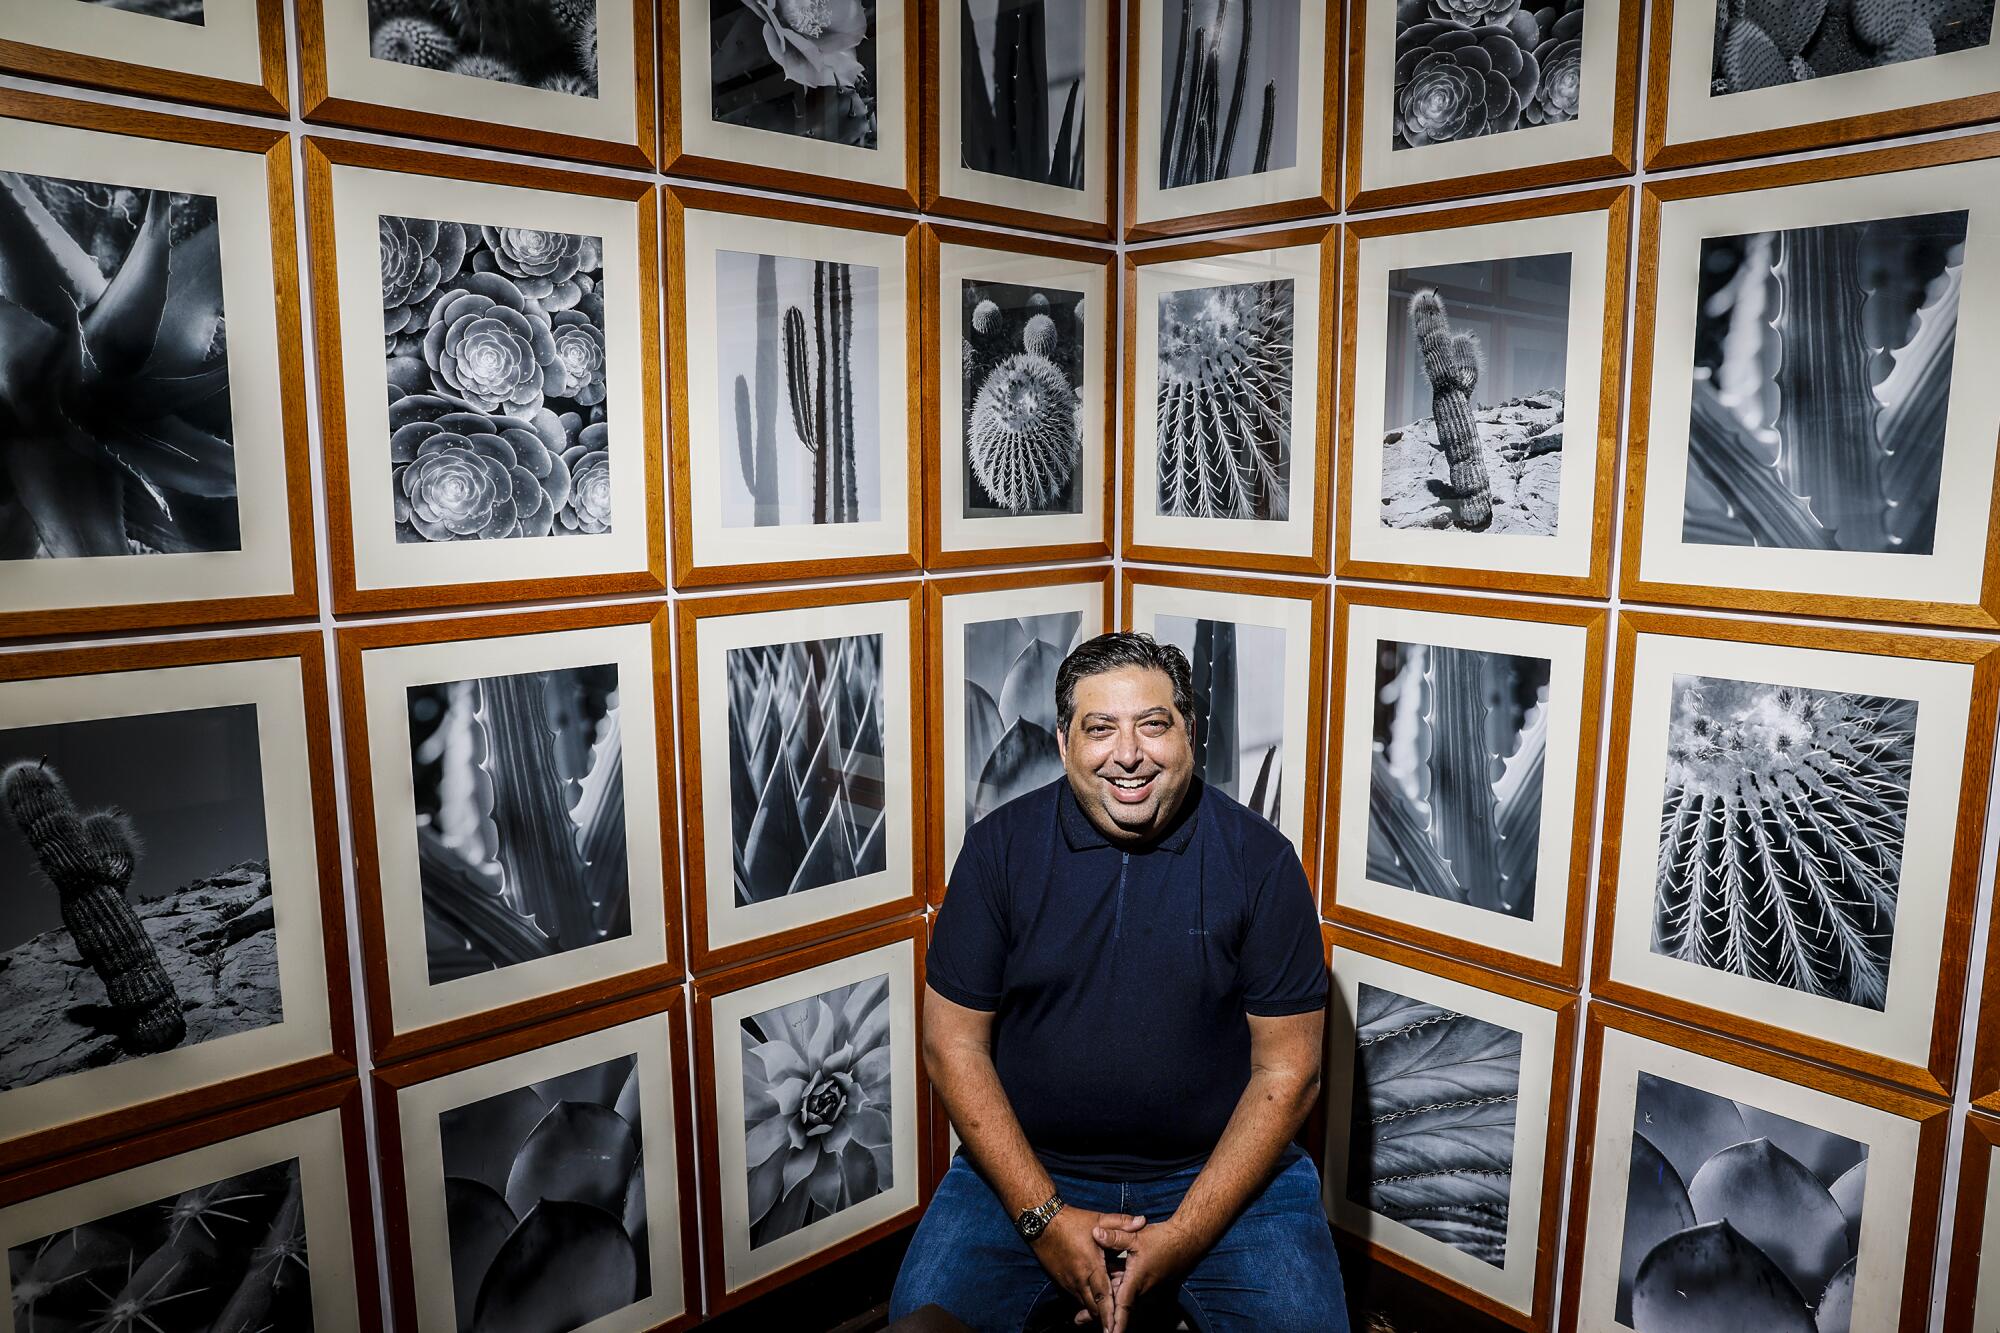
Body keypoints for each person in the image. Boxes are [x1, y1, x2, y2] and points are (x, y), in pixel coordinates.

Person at [889, 632, 1346, 1333]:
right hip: (1027, 1168)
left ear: (1189, 732)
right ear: (1065, 742)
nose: (1127, 753)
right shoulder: (997, 850)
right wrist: (1043, 1218)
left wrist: (1186, 1230)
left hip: (1225, 1176)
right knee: (920, 1321)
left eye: (1152, 724)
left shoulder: (1261, 861)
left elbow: (1292, 1071)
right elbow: (952, 1047)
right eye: (1100, 728)